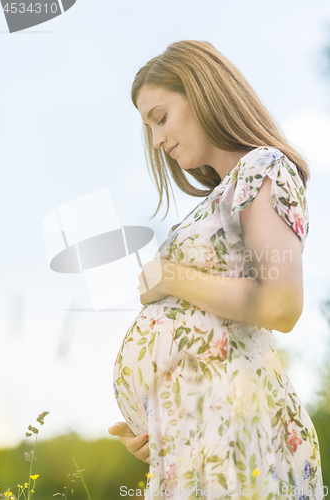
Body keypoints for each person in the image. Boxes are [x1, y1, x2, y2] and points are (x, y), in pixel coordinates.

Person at [108, 40, 324, 499]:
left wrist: (171, 277)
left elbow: (282, 305)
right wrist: (161, 426)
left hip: (246, 436)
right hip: (205, 440)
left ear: (203, 92)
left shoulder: (263, 169)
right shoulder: (220, 197)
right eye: (148, 129)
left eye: (160, 118)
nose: (158, 141)